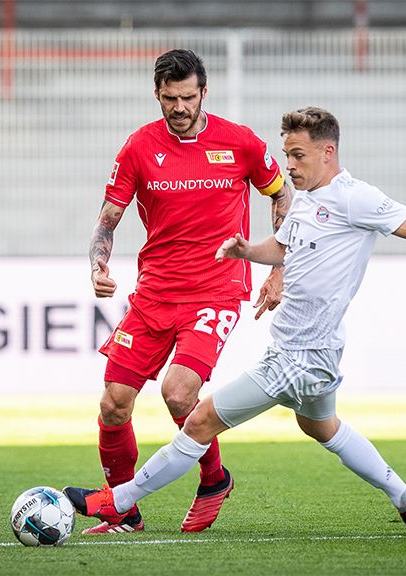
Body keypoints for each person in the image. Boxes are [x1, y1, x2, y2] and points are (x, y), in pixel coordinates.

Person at [66, 107, 406, 536]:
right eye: (285, 154)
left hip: (298, 357)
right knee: (323, 428)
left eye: (297, 155)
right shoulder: (308, 199)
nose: (288, 166)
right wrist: (246, 251)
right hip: (313, 355)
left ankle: (116, 501)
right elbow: (281, 248)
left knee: (199, 421)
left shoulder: (357, 198)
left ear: (327, 152)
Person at [85, 49, 293, 534]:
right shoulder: (139, 147)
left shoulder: (239, 142)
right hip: (154, 293)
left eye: (187, 97)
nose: (179, 107)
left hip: (215, 290)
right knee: (114, 402)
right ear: (156, 94)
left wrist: (279, 265)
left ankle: (214, 479)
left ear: (204, 92)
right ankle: (123, 511)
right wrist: (98, 262)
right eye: (169, 98)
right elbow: (107, 222)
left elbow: (281, 193)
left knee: (180, 393)